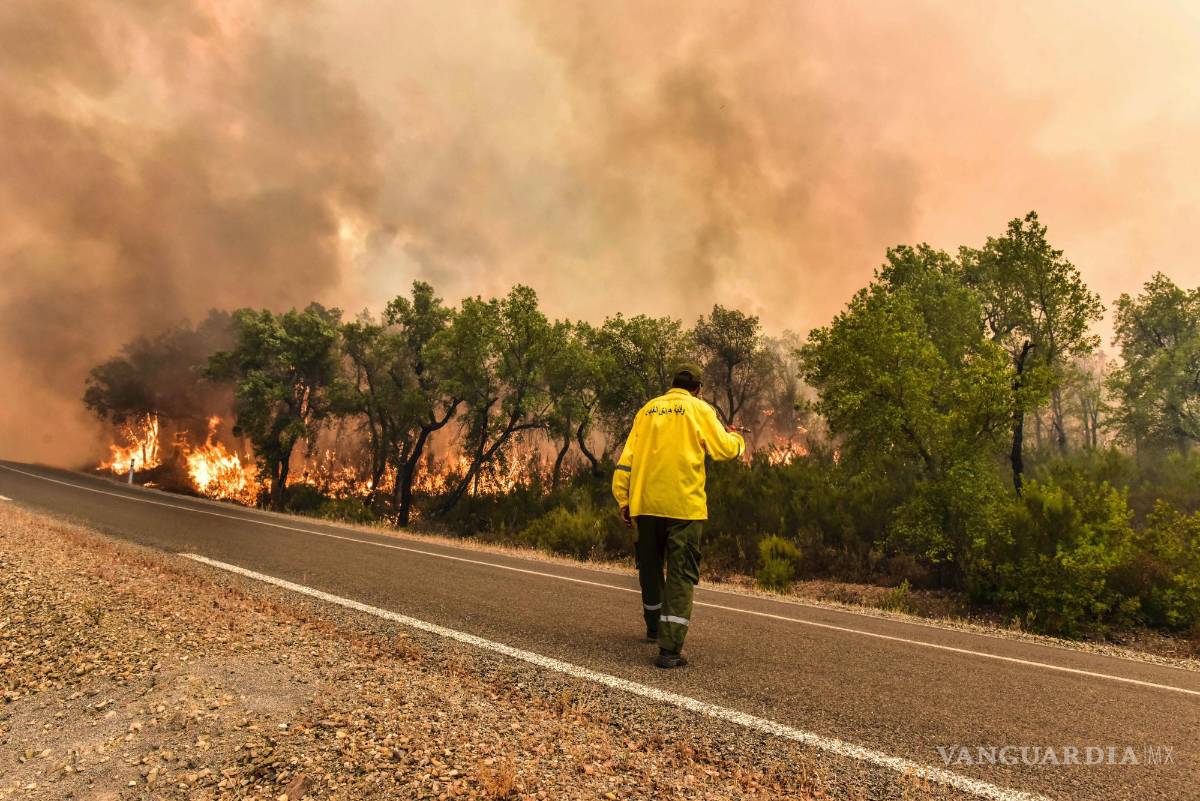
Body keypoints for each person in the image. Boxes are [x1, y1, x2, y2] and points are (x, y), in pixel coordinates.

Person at [611, 362, 745, 668]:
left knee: (649, 568)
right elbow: (723, 449)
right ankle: (669, 649)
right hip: (684, 506)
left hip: (645, 503)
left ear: (672, 385)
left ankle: (654, 627)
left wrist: (623, 498)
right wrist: (736, 439)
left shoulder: (647, 410)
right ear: (697, 389)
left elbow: (627, 459)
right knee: (681, 574)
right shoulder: (700, 409)